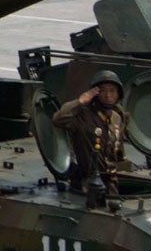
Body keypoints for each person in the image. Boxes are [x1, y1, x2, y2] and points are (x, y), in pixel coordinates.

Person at [53, 69, 127, 199]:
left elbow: (118, 149)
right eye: (103, 91)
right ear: (95, 93)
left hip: (110, 182)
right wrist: (80, 101)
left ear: (118, 94)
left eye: (112, 91)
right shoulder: (84, 115)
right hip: (87, 182)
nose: (108, 95)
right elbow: (59, 119)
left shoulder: (117, 117)